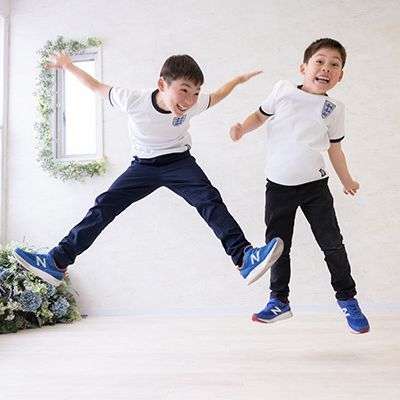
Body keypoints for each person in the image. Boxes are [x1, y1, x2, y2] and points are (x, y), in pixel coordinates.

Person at [14, 51, 284, 290]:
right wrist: (69, 66)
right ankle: (56, 260)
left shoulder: (194, 104)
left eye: (196, 92)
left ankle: (244, 257)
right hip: (142, 166)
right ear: (162, 84)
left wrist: (237, 80)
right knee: (104, 206)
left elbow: (219, 94)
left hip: (179, 162)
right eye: (184, 90)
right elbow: (96, 86)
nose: (190, 100)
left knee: (209, 200)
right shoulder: (133, 100)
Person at [229, 38, 369, 334]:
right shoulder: (283, 90)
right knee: (277, 247)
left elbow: (335, 149)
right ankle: (279, 300)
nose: (326, 68)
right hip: (278, 187)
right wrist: (243, 128)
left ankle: (347, 299)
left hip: (315, 187)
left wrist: (347, 180)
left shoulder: (334, 108)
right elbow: (259, 116)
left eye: (334, 64)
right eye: (320, 61)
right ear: (303, 68)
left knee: (332, 244)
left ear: (340, 75)